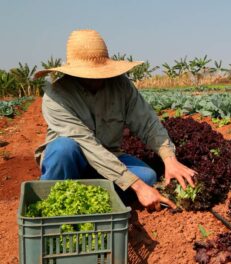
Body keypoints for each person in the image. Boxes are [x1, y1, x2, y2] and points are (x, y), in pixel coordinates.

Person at [34, 29, 196, 210]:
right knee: (63, 149)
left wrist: (169, 158)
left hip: (109, 155)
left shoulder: (121, 86)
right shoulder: (56, 96)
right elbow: (87, 145)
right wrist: (137, 186)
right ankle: (51, 200)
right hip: (73, 158)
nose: (96, 79)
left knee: (148, 176)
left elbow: (147, 123)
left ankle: (86, 193)